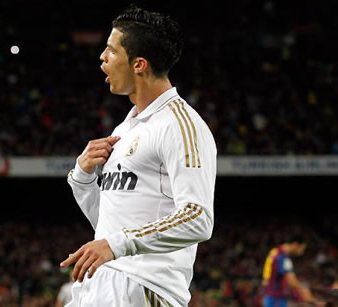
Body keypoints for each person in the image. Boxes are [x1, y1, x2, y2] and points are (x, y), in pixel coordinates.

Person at [60, 6, 217, 307]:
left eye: (111, 51)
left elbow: (198, 218)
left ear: (139, 64)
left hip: (142, 287)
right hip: (101, 283)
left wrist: (117, 244)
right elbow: (110, 224)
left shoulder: (180, 125)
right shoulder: (126, 127)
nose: (102, 58)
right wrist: (82, 178)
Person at [262, 235, 325, 307]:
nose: (302, 252)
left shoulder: (274, 251)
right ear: (296, 245)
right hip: (276, 299)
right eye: (302, 248)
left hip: (269, 296)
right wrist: (312, 299)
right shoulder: (283, 257)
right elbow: (292, 282)